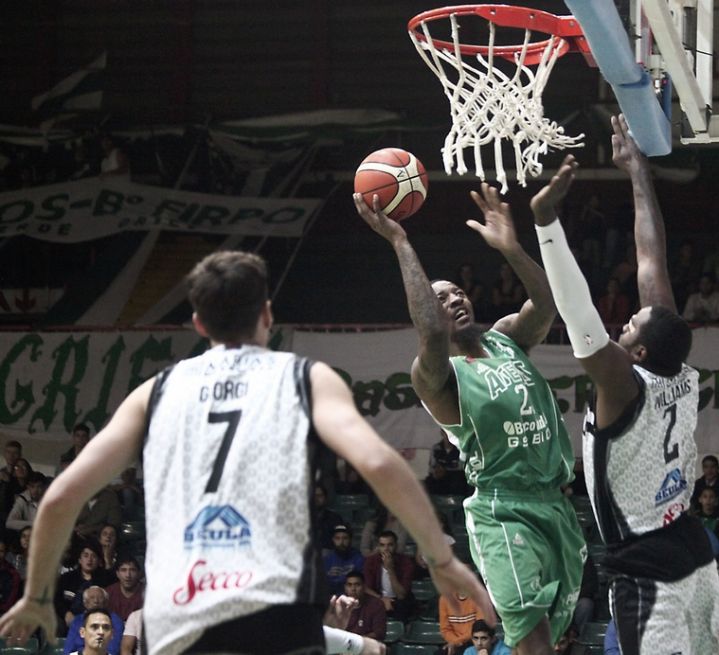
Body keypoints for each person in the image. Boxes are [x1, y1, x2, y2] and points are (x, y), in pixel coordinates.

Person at [0, 250, 493, 655]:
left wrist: (37, 595)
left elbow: (60, 497)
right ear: (267, 315)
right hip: (276, 610)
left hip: (181, 614)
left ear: (198, 322)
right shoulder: (305, 378)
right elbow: (381, 463)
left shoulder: (155, 393)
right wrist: (440, 558)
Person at [355, 172, 585, 654]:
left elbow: (547, 304)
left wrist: (511, 248)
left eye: (457, 291)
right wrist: (400, 241)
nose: (454, 299)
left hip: (556, 503)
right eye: (439, 298)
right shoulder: (435, 375)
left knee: (554, 634)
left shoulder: (506, 338)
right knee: (532, 634)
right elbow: (431, 333)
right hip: (503, 509)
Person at [532, 115, 719, 655]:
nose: (622, 325)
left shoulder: (622, 385)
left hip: (648, 567)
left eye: (628, 328)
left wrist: (546, 223)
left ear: (638, 352)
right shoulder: (678, 370)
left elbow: (577, 311)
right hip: (691, 546)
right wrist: (638, 173)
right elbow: (651, 260)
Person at [363, 530, 415, 620]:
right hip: (378, 598)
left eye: (390, 545)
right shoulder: (371, 561)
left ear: (396, 546)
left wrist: (390, 569)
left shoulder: (406, 562)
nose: (386, 549)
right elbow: (366, 588)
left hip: (400, 601)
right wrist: (381, 599)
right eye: (382, 545)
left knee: (402, 606)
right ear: (378, 547)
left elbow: (401, 595)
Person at [62, 586, 124, 655]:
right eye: (92, 598)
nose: (96, 601)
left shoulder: (115, 620)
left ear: (106, 602)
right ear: (85, 603)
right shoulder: (77, 620)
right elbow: (68, 649)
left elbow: (113, 650)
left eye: (100, 598)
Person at [343, 570, 386, 641]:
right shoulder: (340, 605)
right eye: (349, 585)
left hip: (368, 644)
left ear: (364, 587)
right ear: (345, 588)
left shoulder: (376, 604)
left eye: (357, 585)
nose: (353, 589)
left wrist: (356, 642)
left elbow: (379, 633)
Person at [439, 589, 486, 655]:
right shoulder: (445, 598)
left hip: (472, 641)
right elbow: (445, 629)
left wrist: (457, 642)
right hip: (453, 641)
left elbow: (478, 627)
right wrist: (454, 641)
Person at [323, 525, 365, 589]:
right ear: (333, 540)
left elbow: (360, 583)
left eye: (345, 538)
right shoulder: (327, 560)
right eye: (337, 538)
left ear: (350, 539)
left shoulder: (359, 558)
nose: (341, 542)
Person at [104, 556, 143, 622]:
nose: (128, 575)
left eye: (132, 570)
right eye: (123, 570)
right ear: (117, 574)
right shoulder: (108, 593)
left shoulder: (147, 593)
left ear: (139, 573)